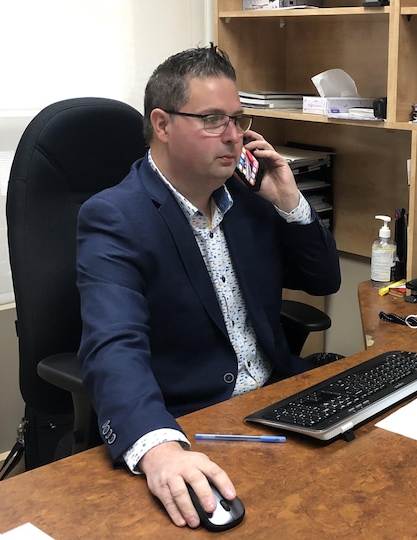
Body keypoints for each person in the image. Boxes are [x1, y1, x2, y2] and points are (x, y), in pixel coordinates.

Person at [76, 45, 341, 528]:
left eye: (239, 119)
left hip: (274, 409)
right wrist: (159, 449)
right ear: (161, 125)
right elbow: (113, 345)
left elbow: (324, 279)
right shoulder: (114, 217)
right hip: (191, 425)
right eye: (213, 120)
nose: (235, 137)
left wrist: (289, 200)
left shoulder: (250, 195)